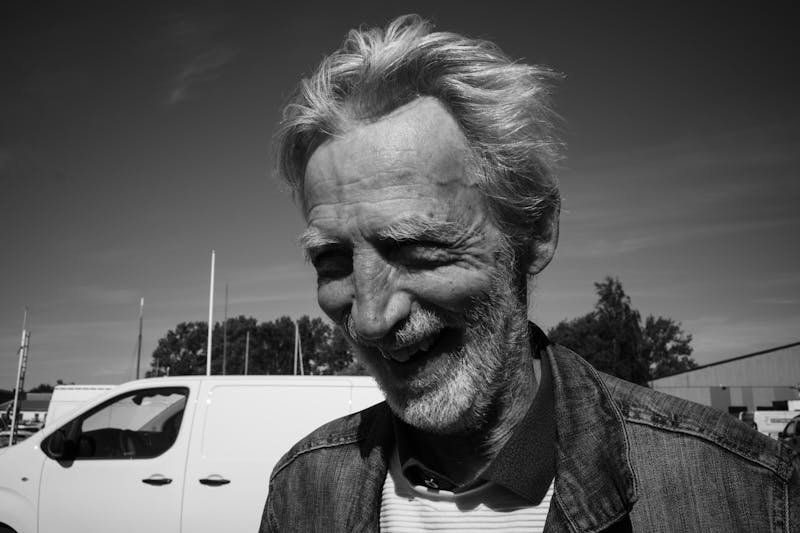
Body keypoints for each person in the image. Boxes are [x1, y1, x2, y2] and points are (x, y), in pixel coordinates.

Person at [262, 15, 799, 532]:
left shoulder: (740, 492)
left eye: (416, 249)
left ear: (535, 233)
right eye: (332, 262)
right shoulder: (303, 490)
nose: (373, 319)